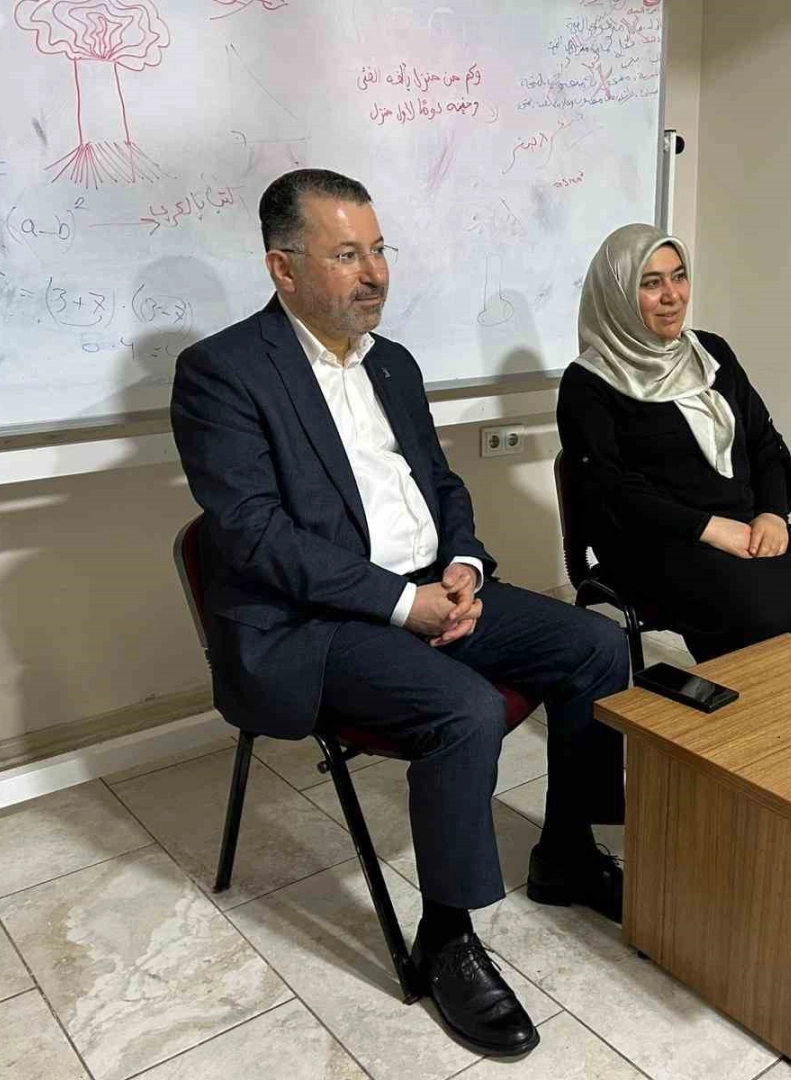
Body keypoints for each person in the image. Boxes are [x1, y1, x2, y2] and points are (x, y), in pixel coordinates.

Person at [170, 169, 628, 1057]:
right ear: (283, 267)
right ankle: (446, 938)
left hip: (427, 583)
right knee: (464, 711)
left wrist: (461, 566)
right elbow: (254, 535)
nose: (375, 272)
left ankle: (567, 852)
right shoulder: (222, 374)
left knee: (595, 646)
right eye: (347, 254)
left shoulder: (393, 362)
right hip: (311, 622)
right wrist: (400, 602)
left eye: (379, 250)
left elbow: (441, 483)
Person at [557, 223, 791, 663]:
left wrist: (772, 513)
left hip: (744, 524)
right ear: (617, 294)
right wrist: (708, 528)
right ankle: (752, 709)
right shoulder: (589, 382)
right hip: (654, 543)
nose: (672, 295)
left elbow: (764, 443)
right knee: (758, 620)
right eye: (651, 283)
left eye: (679, 276)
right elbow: (611, 490)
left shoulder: (712, 353)